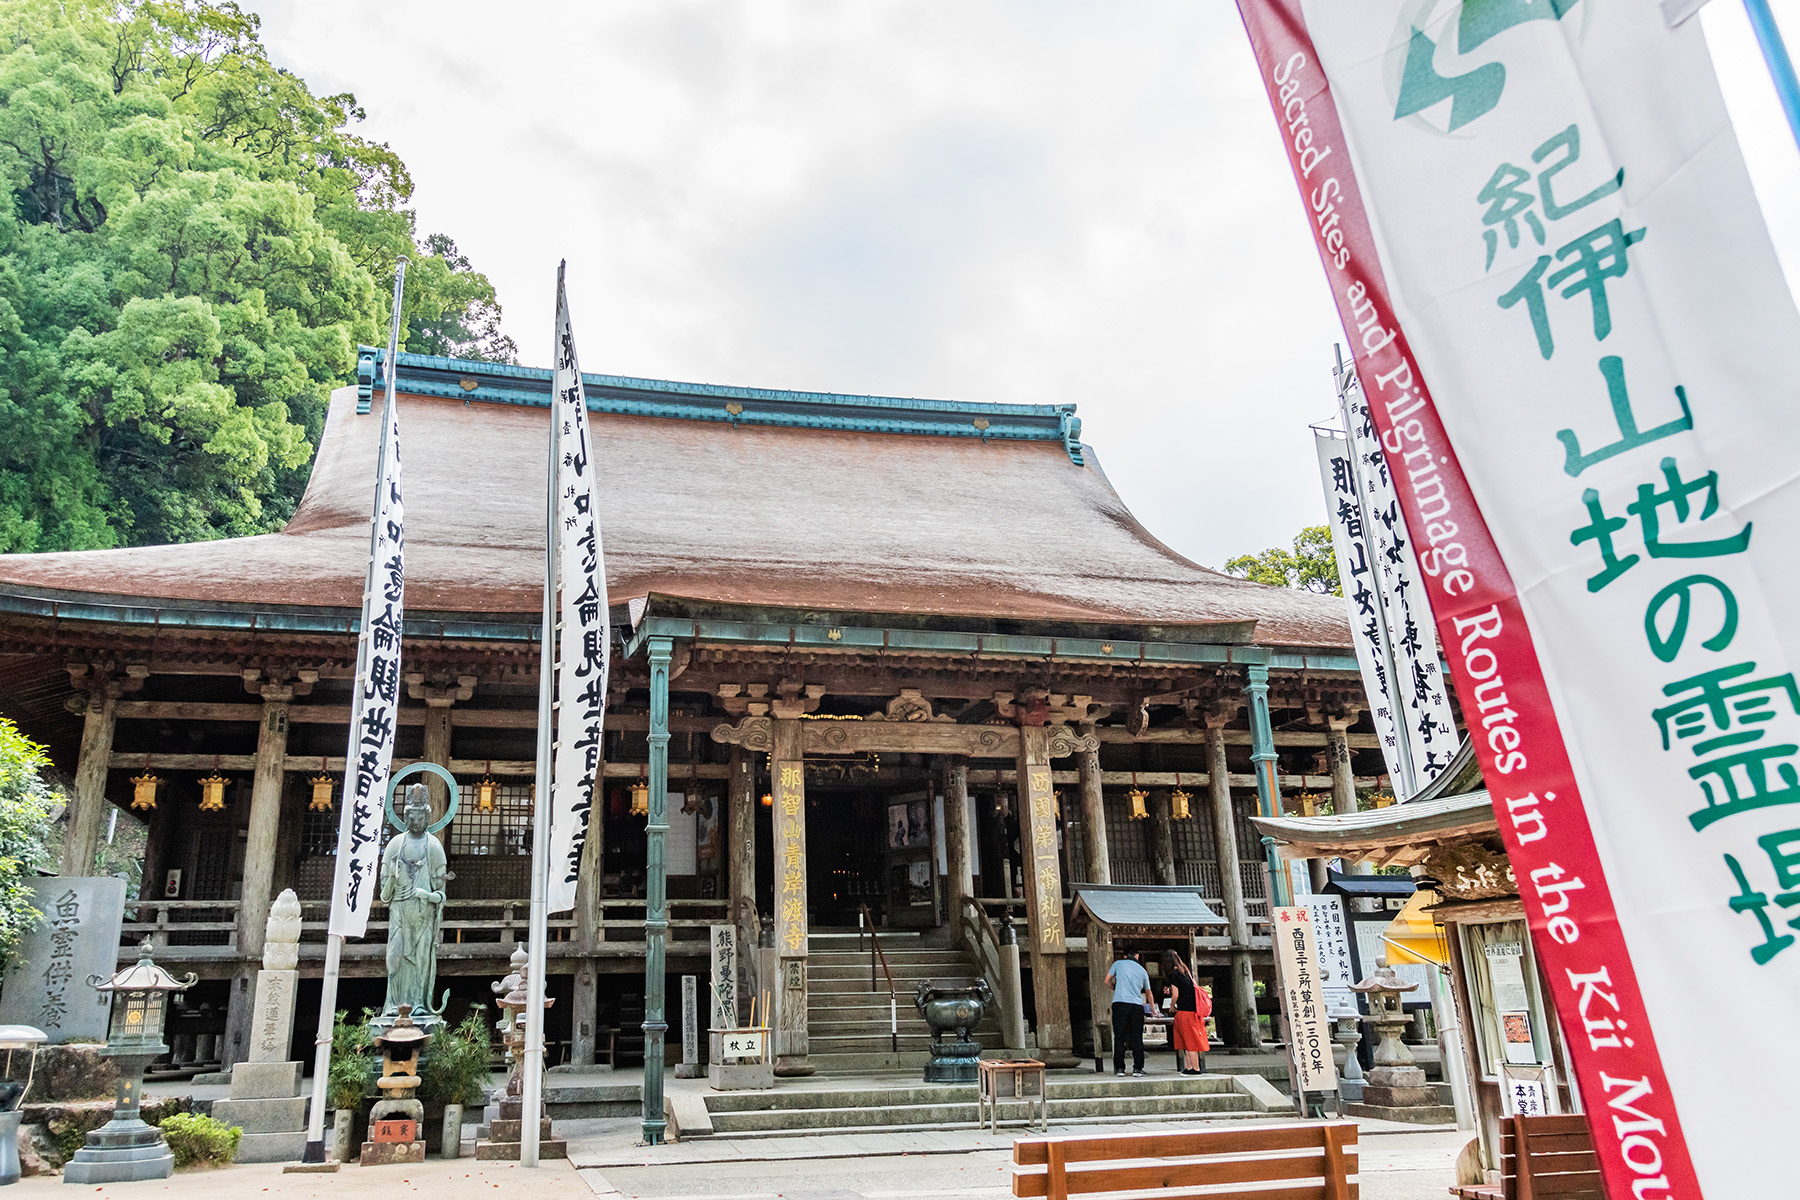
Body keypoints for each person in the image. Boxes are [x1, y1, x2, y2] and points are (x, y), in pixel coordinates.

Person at [1160, 950, 1211, 1075]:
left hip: (1185, 1010)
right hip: (1193, 1009)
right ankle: (1189, 1067)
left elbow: (1176, 994)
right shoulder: (1185, 971)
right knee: (1189, 1039)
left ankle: (1195, 1068)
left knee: (1189, 1040)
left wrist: (1172, 1006)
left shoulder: (1173, 974)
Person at [1105, 949, 1153, 1077]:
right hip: (1136, 1005)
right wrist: (1153, 1010)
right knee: (1136, 1037)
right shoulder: (1142, 970)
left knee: (1119, 1036)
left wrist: (1115, 988)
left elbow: (1107, 980)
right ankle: (1137, 1068)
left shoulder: (1118, 964)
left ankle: (1120, 1068)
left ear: (1125, 956)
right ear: (1137, 955)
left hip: (1119, 1003)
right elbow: (1148, 992)